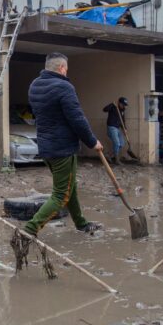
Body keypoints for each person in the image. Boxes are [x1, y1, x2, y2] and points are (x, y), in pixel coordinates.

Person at [23, 52, 103, 236]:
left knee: (70, 187)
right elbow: (77, 119)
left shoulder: (34, 85)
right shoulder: (64, 87)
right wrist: (93, 142)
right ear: (61, 68)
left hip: (46, 148)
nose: (67, 72)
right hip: (62, 149)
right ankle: (30, 229)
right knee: (61, 195)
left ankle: (81, 224)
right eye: (66, 69)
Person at [102, 97, 128, 164]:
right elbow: (104, 109)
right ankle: (117, 160)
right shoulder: (113, 107)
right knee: (117, 143)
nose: (124, 106)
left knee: (121, 143)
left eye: (125, 105)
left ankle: (109, 156)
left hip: (117, 128)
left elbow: (123, 120)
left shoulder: (122, 110)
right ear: (119, 103)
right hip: (111, 127)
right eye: (123, 104)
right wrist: (112, 104)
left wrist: (124, 129)